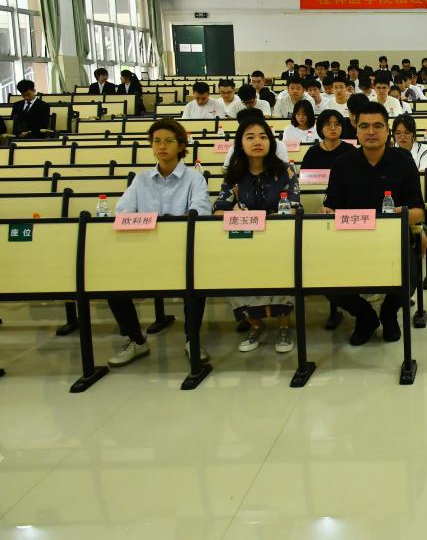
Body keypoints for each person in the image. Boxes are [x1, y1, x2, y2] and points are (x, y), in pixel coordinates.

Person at [107, 119, 212, 367]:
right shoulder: (141, 179)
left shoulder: (194, 179)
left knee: (196, 278)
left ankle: (192, 338)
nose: (162, 146)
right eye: (156, 141)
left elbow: (200, 213)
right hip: (143, 250)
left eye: (168, 141)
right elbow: (123, 213)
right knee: (110, 282)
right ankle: (136, 340)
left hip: (181, 251)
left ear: (181, 145)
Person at [321, 102, 425, 345]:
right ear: (355, 130)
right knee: (324, 281)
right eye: (364, 126)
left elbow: (419, 212)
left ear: (387, 130)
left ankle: (389, 313)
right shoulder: (342, 164)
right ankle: (365, 317)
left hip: (393, 240)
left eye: (378, 126)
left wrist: (400, 214)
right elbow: (331, 207)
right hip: (349, 241)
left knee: (410, 277)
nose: (371, 132)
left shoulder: (403, 161)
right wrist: (326, 212)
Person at [213, 119, 300, 353]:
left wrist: (265, 221)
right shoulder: (233, 175)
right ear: (240, 143)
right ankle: (255, 324)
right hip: (243, 238)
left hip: (278, 238)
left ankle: (284, 326)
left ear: (270, 142)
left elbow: (293, 206)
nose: (257, 141)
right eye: (250, 137)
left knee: (285, 267)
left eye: (263, 137)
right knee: (231, 270)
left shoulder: (285, 171)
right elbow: (219, 209)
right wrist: (233, 214)